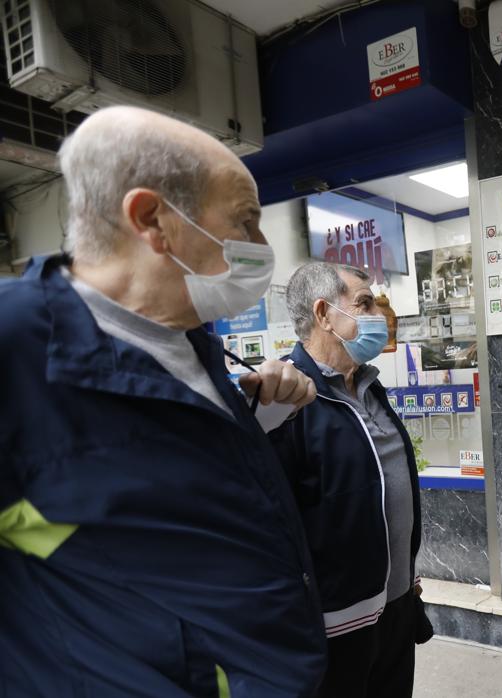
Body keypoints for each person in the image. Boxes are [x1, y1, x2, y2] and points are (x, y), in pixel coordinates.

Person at [0, 106, 326, 695]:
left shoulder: (192, 344)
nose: (261, 244)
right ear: (153, 219)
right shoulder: (16, 342)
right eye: (246, 221)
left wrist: (262, 416)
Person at [271, 262, 434, 698]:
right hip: (336, 625)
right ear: (324, 314)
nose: (378, 316)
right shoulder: (287, 400)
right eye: (363, 303)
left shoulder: (368, 385)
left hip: (397, 602)